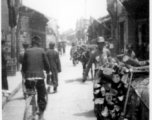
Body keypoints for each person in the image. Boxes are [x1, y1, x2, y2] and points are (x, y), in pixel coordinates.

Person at [22, 36, 50, 120]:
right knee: (42, 95)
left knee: (31, 95)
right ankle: (41, 113)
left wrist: (24, 74)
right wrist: (48, 71)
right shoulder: (42, 50)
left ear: (32, 43)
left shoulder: (27, 51)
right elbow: (47, 64)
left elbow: (24, 66)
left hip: (29, 78)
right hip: (39, 78)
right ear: (39, 43)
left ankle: (32, 110)